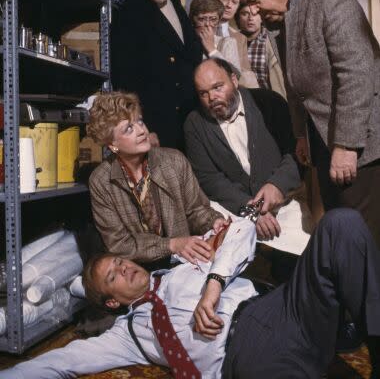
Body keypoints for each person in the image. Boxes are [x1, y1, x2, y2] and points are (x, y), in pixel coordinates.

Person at [3, 209, 380, 378]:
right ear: (112, 301)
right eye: (113, 276)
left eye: (119, 261)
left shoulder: (188, 263)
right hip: (246, 356)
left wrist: (212, 285)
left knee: (340, 224)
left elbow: (241, 230)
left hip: (280, 307)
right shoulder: (128, 336)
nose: (124, 267)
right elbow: (61, 362)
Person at [231, 0, 380, 248]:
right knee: (341, 232)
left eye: (255, 1)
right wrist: (302, 135)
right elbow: (295, 85)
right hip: (324, 142)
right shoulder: (282, 17)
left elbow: (357, 75)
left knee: (363, 238)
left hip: (360, 145)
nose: (254, 11)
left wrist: (346, 145)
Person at [184, 58, 311, 255]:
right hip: (235, 209)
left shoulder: (269, 103)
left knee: (304, 254)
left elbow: (296, 153)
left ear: (234, 80)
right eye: (203, 93)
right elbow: (209, 179)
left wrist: (277, 185)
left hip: (286, 204)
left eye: (218, 87)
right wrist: (250, 210)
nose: (212, 98)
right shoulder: (194, 124)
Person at [87, 91, 225, 268]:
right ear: (112, 145)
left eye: (140, 121)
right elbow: (119, 244)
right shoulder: (101, 181)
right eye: (129, 128)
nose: (141, 131)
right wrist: (172, 245)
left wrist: (213, 221)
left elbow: (195, 210)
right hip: (137, 270)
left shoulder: (174, 161)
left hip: (185, 264)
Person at [111, 0, 203, 150]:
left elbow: (190, 51)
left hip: (189, 117)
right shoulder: (129, 14)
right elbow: (124, 77)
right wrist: (142, 125)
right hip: (158, 122)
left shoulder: (175, 0)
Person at [235, 1, 286, 98]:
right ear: (238, 18)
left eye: (255, 14)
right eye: (245, 14)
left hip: (271, 99)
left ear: (261, 18)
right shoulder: (232, 39)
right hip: (242, 99)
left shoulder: (272, 40)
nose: (250, 18)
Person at [214, 0, 258, 88]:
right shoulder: (197, 31)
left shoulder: (240, 38)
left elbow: (247, 76)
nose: (229, 5)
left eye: (234, 2)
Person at [189, 0, 242, 78]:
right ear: (193, 19)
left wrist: (212, 50)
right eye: (202, 19)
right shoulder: (186, 42)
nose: (207, 24)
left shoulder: (228, 42)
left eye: (213, 19)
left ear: (219, 21)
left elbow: (235, 75)